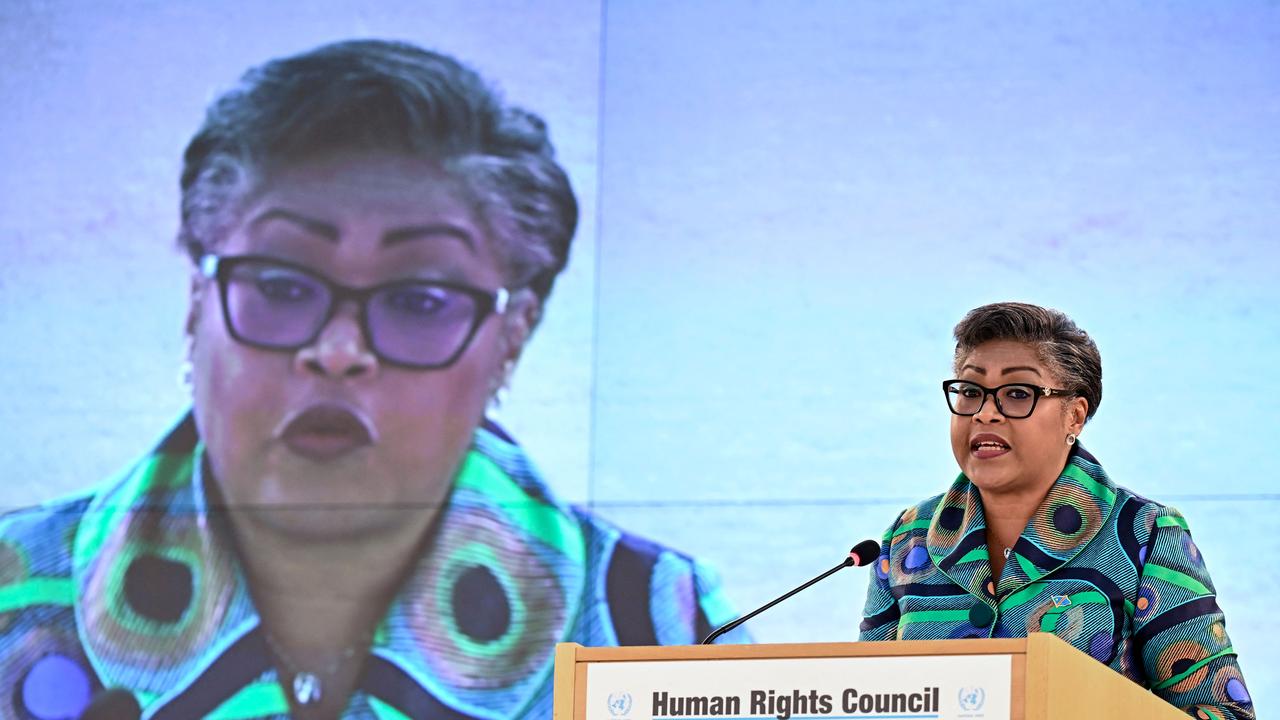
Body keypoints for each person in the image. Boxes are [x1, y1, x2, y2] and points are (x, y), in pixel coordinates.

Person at [0, 40, 740, 720]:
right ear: (198, 303)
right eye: (284, 285)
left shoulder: (659, 629)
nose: (338, 350)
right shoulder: (12, 598)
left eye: (418, 300)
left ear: (513, 337)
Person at [858, 302, 1252, 719]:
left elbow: (1225, 712)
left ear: (1075, 416)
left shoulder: (1143, 533)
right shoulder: (909, 539)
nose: (985, 412)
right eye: (971, 392)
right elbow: (867, 703)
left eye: (1017, 394)